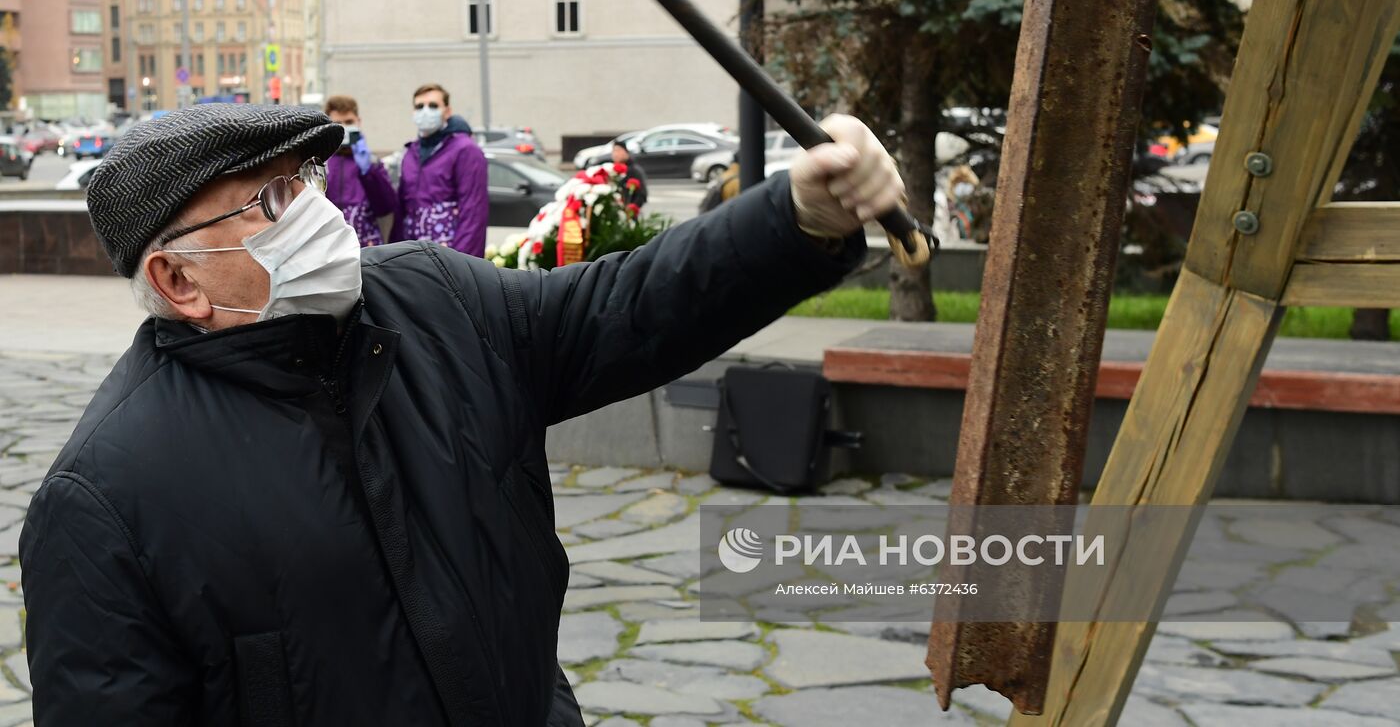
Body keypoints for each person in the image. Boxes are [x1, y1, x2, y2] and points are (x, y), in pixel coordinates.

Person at [18, 103, 904, 726]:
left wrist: (797, 219)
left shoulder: (439, 304)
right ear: (177, 281)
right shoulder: (106, 499)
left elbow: (627, 305)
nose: (316, 216)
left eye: (306, 180)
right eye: (271, 204)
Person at [391, 82, 488, 256]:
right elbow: (402, 210)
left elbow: (473, 212)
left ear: (447, 111)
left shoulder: (465, 150)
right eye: (419, 106)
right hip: (413, 255)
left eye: (433, 105)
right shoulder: (410, 153)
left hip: (449, 254)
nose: (425, 111)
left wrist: (462, 264)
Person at [324, 94, 398, 246]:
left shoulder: (370, 161)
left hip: (366, 244)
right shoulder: (322, 163)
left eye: (349, 122)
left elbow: (386, 206)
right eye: (338, 123)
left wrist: (369, 170)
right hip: (332, 245)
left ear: (359, 122)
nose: (344, 128)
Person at [611, 138, 647, 209]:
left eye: (618, 150)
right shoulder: (611, 170)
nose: (615, 154)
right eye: (614, 151)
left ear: (626, 152)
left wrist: (632, 208)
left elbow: (642, 194)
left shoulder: (634, 170)